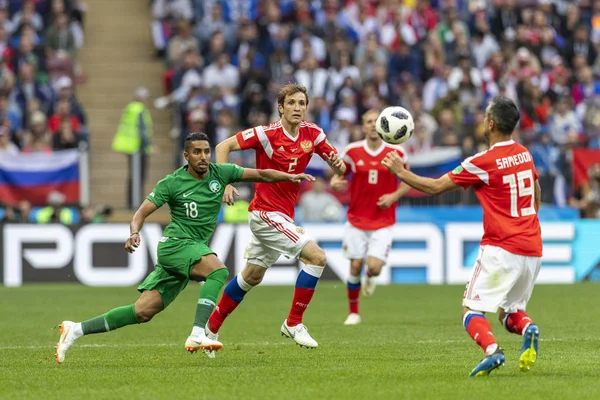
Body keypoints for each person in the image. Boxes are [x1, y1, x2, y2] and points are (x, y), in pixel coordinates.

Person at [55, 132, 315, 364]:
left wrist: (290, 176)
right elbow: (141, 213)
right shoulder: (171, 183)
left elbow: (261, 174)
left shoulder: (219, 173)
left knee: (142, 312)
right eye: (197, 152)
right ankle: (198, 332)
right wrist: (134, 233)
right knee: (218, 271)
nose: (204, 157)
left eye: (207, 151)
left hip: (192, 250)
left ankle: (75, 329)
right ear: (186, 155)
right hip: (175, 246)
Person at [382, 96, 542, 377]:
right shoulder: (525, 154)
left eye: (484, 116)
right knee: (509, 312)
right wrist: (527, 220)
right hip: (532, 247)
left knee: (470, 310)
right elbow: (537, 192)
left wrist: (399, 171)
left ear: (490, 124)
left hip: (501, 247)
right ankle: (529, 328)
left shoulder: (482, 162)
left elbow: (434, 187)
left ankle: (492, 351)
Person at [203, 83, 346, 356]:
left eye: (302, 103)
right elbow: (223, 146)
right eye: (291, 103)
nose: (297, 108)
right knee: (317, 257)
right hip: (266, 213)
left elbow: (335, 161)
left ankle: (209, 329)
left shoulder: (312, 134)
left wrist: (339, 169)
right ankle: (293, 322)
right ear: (280, 107)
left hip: (281, 214)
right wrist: (225, 183)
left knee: (251, 276)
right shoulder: (266, 134)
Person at [330, 109, 410, 326]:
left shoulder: (397, 152)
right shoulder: (352, 151)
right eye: (369, 121)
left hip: (383, 220)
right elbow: (339, 176)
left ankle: (371, 276)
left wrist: (393, 196)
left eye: (377, 121)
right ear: (363, 126)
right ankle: (353, 312)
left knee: (373, 267)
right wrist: (334, 183)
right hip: (357, 218)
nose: (373, 125)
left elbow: (407, 180)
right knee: (355, 265)